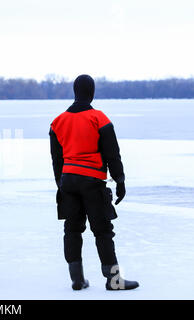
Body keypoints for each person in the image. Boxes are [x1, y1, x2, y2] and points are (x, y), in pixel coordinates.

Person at [49, 74, 139, 291]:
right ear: (92, 92)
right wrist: (120, 180)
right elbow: (112, 153)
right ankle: (114, 280)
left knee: (71, 229)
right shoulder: (99, 118)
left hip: (68, 180)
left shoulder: (57, 122)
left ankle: (77, 280)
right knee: (103, 231)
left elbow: (56, 159)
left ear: (75, 91)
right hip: (92, 181)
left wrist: (60, 184)